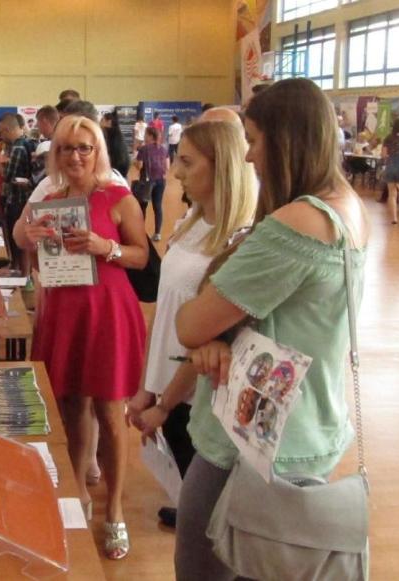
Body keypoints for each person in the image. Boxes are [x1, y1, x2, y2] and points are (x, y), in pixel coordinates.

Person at [173, 78, 369, 580]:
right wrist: (219, 334)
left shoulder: (299, 222)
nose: (248, 156)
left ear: (286, 141)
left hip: (253, 438)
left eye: (255, 140)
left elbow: (190, 324)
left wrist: (208, 330)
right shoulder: (348, 207)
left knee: (202, 565)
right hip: (311, 423)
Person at [13, 115, 148, 560]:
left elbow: (141, 256)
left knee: (110, 413)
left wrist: (104, 247)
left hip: (106, 312)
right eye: (67, 148)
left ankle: (114, 510)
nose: (75, 156)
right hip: (65, 313)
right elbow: (26, 244)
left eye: (84, 148)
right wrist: (30, 238)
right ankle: (77, 495)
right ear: (55, 154)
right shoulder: (49, 201)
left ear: (98, 152)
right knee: (70, 407)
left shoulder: (118, 198)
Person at [127, 119, 257, 529]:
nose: (175, 171)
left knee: (207, 512)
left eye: (187, 162)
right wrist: (147, 386)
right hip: (169, 387)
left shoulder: (239, 239)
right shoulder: (191, 223)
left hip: (195, 395)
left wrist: (165, 404)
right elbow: (166, 309)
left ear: (222, 167)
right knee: (189, 488)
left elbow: (208, 337)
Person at [0, 113, 34, 269]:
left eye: (1, 132)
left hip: (17, 201)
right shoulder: (29, 143)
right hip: (27, 200)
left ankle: (20, 273)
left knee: (17, 242)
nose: (1, 137)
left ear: (7, 129)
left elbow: (9, 177)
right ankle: (26, 274)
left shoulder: (17, 148)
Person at [134, 126, 169, 241]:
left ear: (150, 136)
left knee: (142, 207)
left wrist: (134, 162)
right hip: (161, 180)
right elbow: (167, 166)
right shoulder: (163, 149)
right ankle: (158, 233)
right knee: (157, 206)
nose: (144, 136)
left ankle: (140, 233)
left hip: (147, 181)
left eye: (146, 134)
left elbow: (139, 166)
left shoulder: (144, 149)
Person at [103, 110, 131, 179]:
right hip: (121, 173)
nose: (100, 123)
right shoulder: (118, 135)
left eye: (102, 120)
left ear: (109, 122)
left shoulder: (109, 136)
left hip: (114, 173)